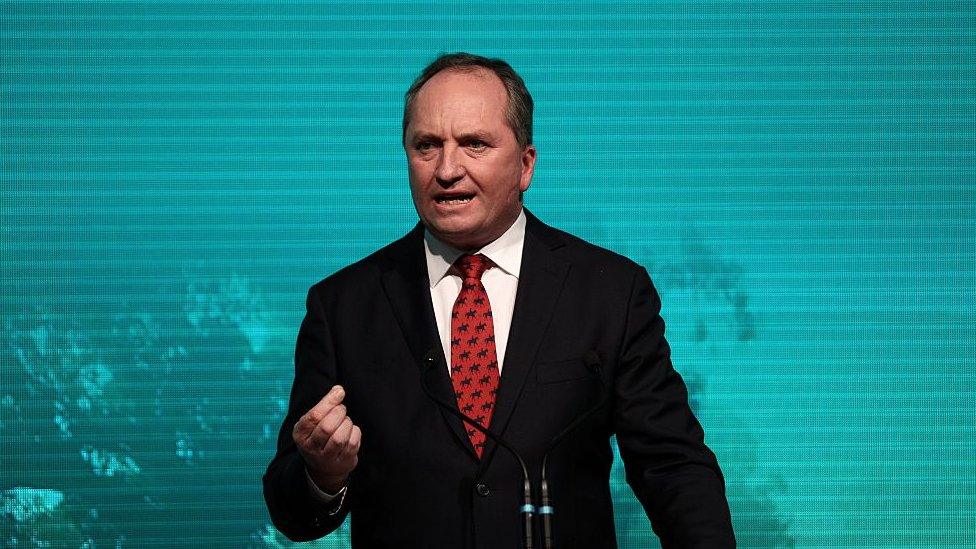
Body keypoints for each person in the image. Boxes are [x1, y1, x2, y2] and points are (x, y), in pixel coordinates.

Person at [263, 52, 735, 548]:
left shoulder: (610, 291)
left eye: (474, 144)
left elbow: (673, 467)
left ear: (526, 165)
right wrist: (323, 475)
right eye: (427, 146)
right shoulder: (342, 307)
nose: (447, 169)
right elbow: (292, 511)